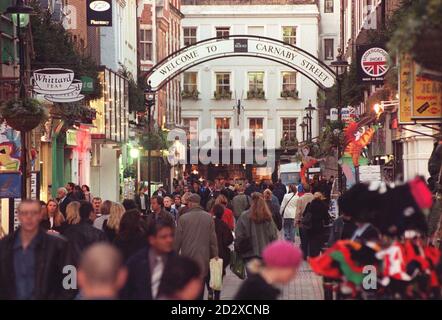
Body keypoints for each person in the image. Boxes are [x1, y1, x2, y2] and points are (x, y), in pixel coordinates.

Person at [0, 199, 75, 299]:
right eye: (24, 213)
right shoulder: (5, 245)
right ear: (18, 216)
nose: (29, 217)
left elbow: (70, 280)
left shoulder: (59, 246)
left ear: (40, 215)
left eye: (34, 213)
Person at [174, 193, 219, 300]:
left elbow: (177, 241)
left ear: (190, 203)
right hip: (203, 258)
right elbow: (213, 241)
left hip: (187, 258)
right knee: (200, 286)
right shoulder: (208, 217)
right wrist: (215, 256)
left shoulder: (183, 218)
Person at [121, 220, 176, 300]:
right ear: (152, 240)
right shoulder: (135, 263)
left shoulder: (177, 262)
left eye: (171, 236)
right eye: (164, 237)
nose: (169, 240)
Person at [234, 240, 302, 300]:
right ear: (279, 266)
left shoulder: (257, 284)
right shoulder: (260, 290)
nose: (295, 275)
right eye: (293, 270)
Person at [235, 193, 278, 264]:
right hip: (266, 254)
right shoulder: (267, 217)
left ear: (251, 201)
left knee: (252, 274)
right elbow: (273, 235)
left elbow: (239, 235)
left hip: (249, 254)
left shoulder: (244, 216)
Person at [210, 204, 234, 300]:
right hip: (219, 254)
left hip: (208, 253)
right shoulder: (223, 225)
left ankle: (210, 291)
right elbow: (229, 240)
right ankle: (216, 296)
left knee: (208, 275)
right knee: (217, 278)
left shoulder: (209, 223)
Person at [304, 192, 330, 258]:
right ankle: (317, 255)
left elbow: (305, 214)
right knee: (318, 242)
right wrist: (327, 223)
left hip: (310, 227)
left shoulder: (310, 205)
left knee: (311, 242)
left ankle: (312, 255)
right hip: (319, 227)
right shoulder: (324, 205)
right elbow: (327, 218)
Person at [295, 184, 315, 259]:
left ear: (303, 190)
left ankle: (304, 255)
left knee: (304, 240)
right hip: (313, 221)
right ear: (310, 189)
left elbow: (298, 212)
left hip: (303, 222)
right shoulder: (314, 198)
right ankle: (311, 254)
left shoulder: (300, 199)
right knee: (311, 239)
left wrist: (296, 221)